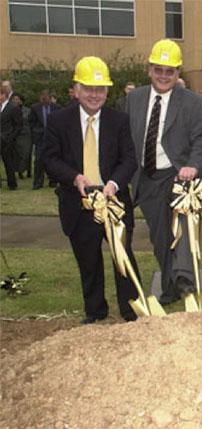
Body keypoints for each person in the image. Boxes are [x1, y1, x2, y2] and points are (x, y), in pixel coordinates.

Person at [43, 56, 140, 324]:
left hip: (113, 201)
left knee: (124, 257)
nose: (94, 95)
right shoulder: (58, 121)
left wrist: (114, 184)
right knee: (88, 260)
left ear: (107, 91)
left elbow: (129, 159)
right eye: (88, 89)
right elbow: (49, 160)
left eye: (100, 89)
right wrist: (74, 178)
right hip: (79, 202)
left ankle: (132, 308)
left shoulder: (119, 120)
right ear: (76, 89)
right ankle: (95, 311)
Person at [126, 39, 202, 306]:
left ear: (178, 73)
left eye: (170, 71)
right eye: (159, 69)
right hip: (147, 178)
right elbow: (124, 139)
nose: (164, 76)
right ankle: (170, 285)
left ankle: (184, 277)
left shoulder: (192, 102)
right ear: (149, 70)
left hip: (178, 177)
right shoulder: (133, 99)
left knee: (181, 229)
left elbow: (201, 139)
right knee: (160, 237)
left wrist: (193, 166)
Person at [29, 89, 61, 189]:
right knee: (38, 161)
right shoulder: (35, 108)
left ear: (50, 97)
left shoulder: (57, 108)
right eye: (42, 96)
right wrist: (35, 133)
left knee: (53, 159)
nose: (43, 98)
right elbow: (31, 122)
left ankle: (53, 181)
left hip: (53, 138)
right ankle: (38, 183)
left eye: (46, 96)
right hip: (40, 139)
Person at [0, 86, 23, 190]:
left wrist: (11, 138)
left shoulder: (13, 107)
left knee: (8, 163)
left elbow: (18, 125)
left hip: (7, 140)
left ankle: (12, 184)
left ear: (4, 95)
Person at [10, 93, 32, 179]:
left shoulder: (28, 110)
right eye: (14, 99)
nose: (15, 101)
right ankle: (19, 171)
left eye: (17, 99)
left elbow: (31, 121)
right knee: (17, 154)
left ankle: (27, 170)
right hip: (15, 134)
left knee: (27, 153)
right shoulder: (10, 110)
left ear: (21, 101)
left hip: (26, 134)